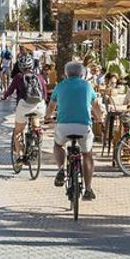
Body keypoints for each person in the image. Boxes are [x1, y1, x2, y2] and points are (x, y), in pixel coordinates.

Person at [51, 58, 99, 201]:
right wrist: (100, 118)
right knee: (87, 154)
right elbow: (95, 106)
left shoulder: (60, 86)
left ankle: (61, 169)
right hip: (84, 126)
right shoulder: (87, 86)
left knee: (58, 145)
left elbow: (51, 105)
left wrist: (47, 116)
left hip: (64, 126)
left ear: (66, 74)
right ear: (82, 74)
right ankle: (88, 189)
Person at [4, 51, 46, 144]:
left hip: (23, 105)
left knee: (18, 131)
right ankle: (38, 133)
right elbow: (44, 91)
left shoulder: (18, 77)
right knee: (36, 118)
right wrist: (43, 101)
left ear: (20, 67)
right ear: (32, 66)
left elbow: (10, 90)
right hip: (39, 106)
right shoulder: (39, 77)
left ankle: (21, 154)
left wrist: (5, 96)